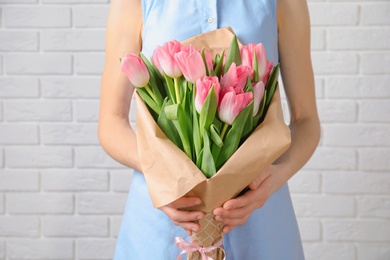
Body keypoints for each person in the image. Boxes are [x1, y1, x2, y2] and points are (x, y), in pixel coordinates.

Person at [98, 0, 320, 259]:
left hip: (261, 218)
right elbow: (111, 122)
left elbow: (307, 121)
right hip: (161, 220)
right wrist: (163, 176)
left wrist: (273, 180)